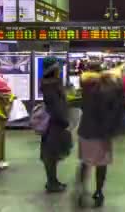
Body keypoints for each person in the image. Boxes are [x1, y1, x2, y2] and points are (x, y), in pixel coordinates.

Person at [75, 62, 125, 208]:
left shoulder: (85, 86)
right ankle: (98, 192)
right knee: (101, 164)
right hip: (101, 132)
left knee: (85, 162)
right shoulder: (105, 88)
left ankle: (81, 189)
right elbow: (115, 101)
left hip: (85, 130)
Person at [40, 57, 72, 193]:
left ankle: (53, 180)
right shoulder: (51, 85)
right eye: (57, 67)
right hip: (55, 124)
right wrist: (64, 120)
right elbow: (56, 106)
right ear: (53, 69)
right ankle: (52, 183)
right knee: (51, 154)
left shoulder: (50, 83)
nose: (59, 69)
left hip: (54, 123)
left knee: (52, 154)